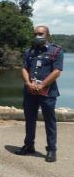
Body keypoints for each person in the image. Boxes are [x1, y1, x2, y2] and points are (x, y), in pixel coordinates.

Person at [16, 26, 63, 163]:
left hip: (47, 92)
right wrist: (27, 83)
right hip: (30, 91)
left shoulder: (56, 50)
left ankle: (51, 150)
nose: (37, 36)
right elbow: (24, 68)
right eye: (35, 34)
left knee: (50, 121)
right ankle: (29, 145)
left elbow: (57, 71)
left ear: (47, 34)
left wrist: (42, 85)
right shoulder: (29, 51)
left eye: (40, 34)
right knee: (30, 119)